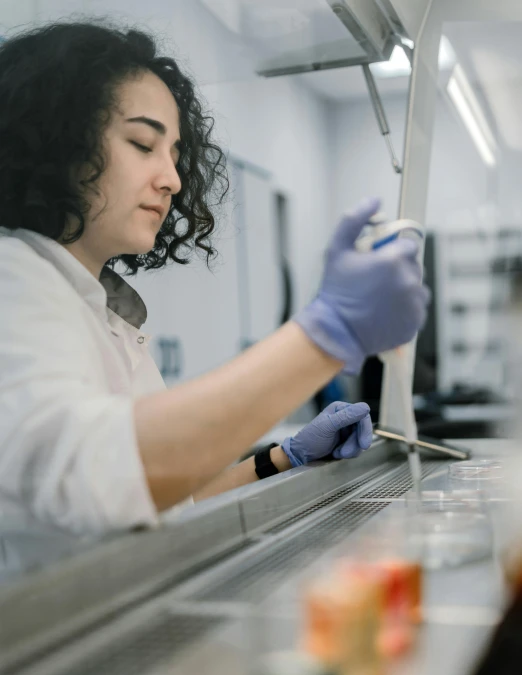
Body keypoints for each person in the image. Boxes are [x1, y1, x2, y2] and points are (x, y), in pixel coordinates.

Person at [0, 21, 429, 535]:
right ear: (58, 142)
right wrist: (326, 335)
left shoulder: (104, 316)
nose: (173, 179)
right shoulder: (13, 276)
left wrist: (282, 457)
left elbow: (164, 499)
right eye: (142, 143)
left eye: (176, 155)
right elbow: (97, 479)